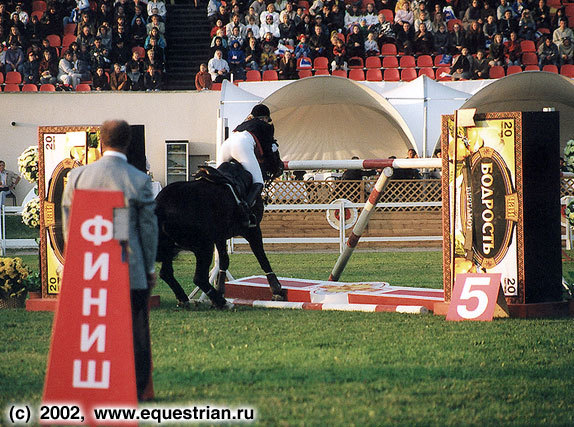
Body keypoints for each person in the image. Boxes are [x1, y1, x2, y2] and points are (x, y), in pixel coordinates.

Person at [62, 120, 158, 403]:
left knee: (90, 329)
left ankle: (89, 383)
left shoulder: (77, 177)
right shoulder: (139, 179)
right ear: (128, 143)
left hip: (91, 266)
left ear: (100, 142)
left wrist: (78, 258)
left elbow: (69, 225)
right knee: (136, 330)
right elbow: (148, 230)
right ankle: (138, 390)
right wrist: (150, 267)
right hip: (131, 267)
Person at [216, 103, 278, 227]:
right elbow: (268, 151)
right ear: (265, 118)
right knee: (259, 182)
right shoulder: (265, 126)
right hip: (242, 145)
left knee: (218, 181)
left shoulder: (242, 125)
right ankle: (245, 212)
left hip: (226, 144)